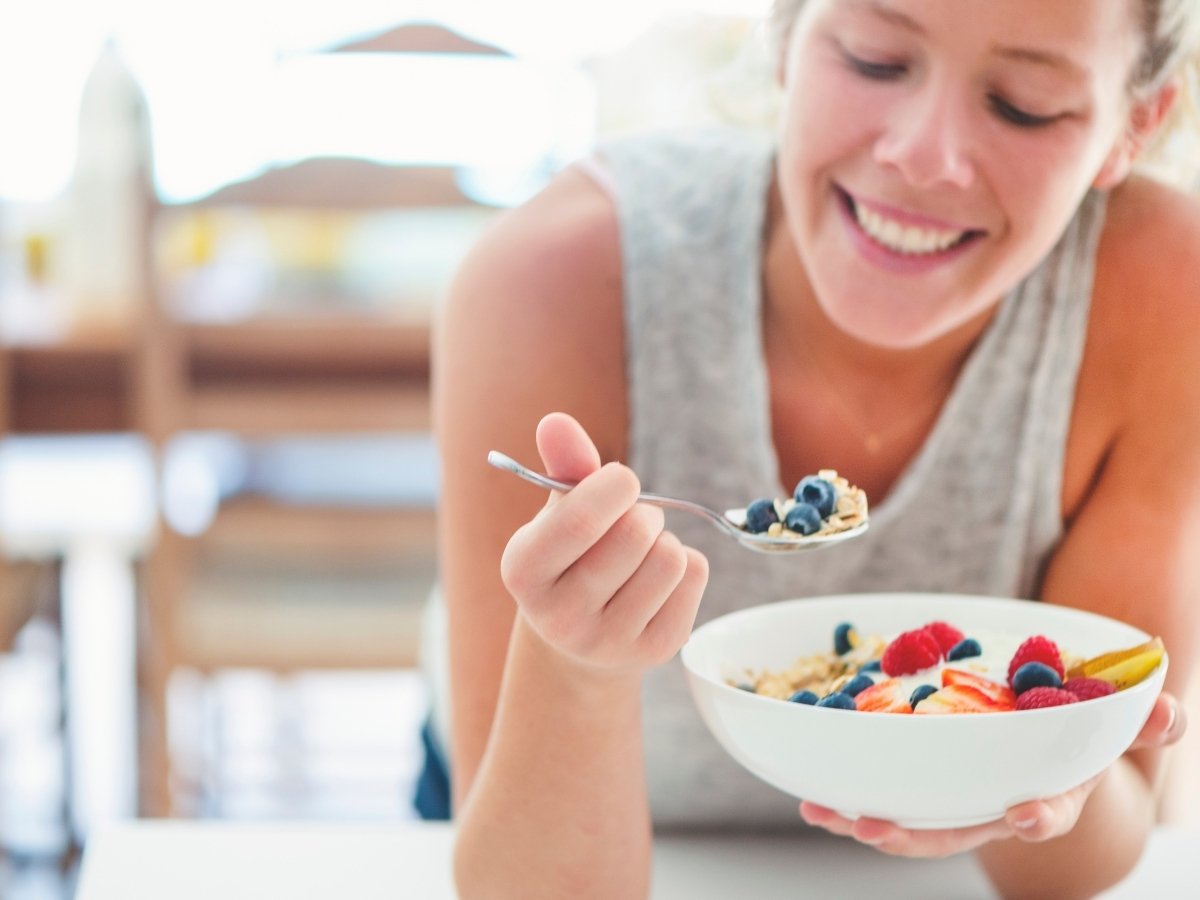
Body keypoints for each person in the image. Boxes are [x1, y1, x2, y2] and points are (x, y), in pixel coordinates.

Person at [424, 1, 1200, 897]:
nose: (923, 154)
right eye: (875, 61)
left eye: (1023, 104)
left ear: (1131, 127)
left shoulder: (1162, 294)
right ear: (785, 39)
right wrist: (574, 669)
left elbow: (1084, 861)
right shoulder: (559, 277)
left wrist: (1042, 763)